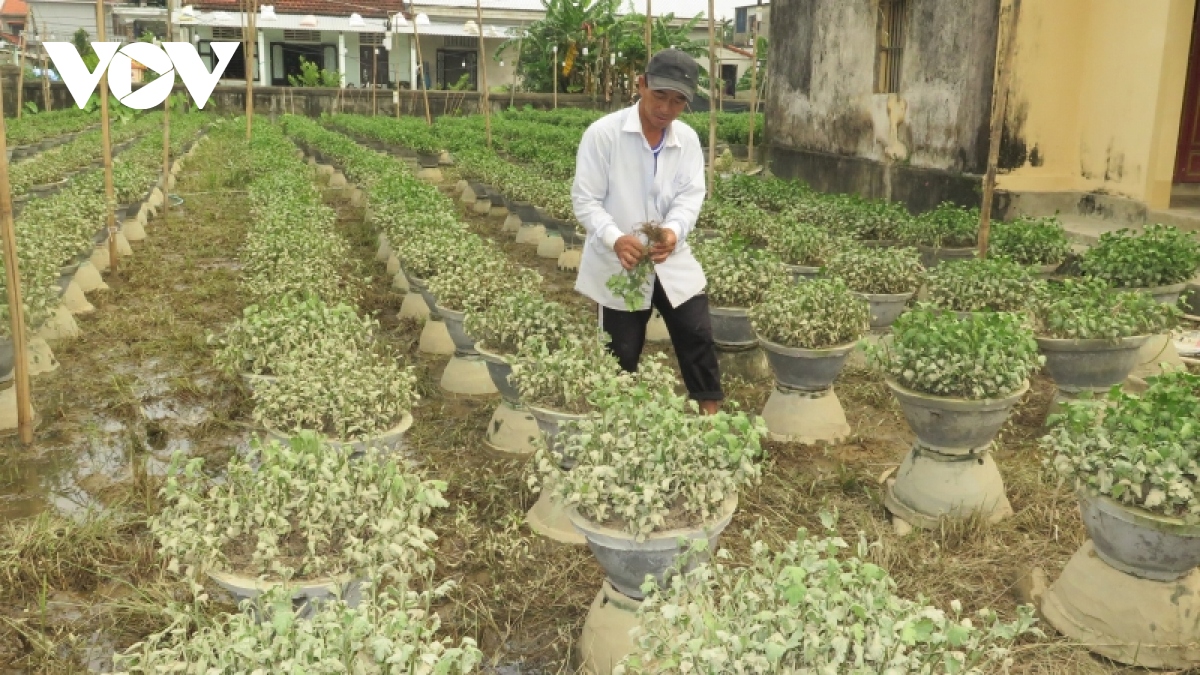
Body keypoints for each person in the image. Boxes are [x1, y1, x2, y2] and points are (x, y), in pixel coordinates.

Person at [571, 49, 722, 415]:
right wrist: (614, 238)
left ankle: (711, 412)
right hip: (620, 260)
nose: (667, 109)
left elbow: (690, 197)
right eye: (660, 96)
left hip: (668, 256)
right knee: (621, 349)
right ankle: (617, 419)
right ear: (641, 85)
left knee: (697, 333)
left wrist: (672, 232)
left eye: (678, 101)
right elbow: (585, 199)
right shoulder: (604, 135)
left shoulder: (685, 140)